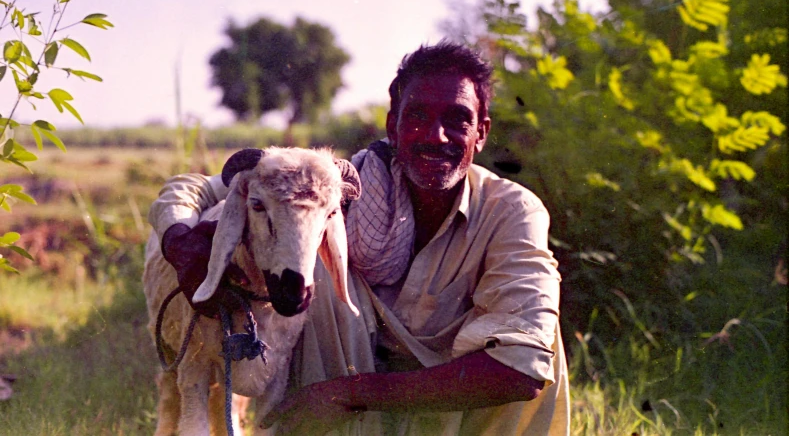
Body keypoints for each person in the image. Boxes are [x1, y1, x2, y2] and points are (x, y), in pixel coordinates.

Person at [148, 40, 569, 435]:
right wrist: (182, 244)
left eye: (457, 119)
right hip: (358, 412)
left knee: (533, 332)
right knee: (312, 266)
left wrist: (347, 396)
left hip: (452, 414)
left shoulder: (511, 211)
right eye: (418, 116)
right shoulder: (342, 187)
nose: (436, 136)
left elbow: (520, 369)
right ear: (393, 124)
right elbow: (198, 189)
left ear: (482, 132)